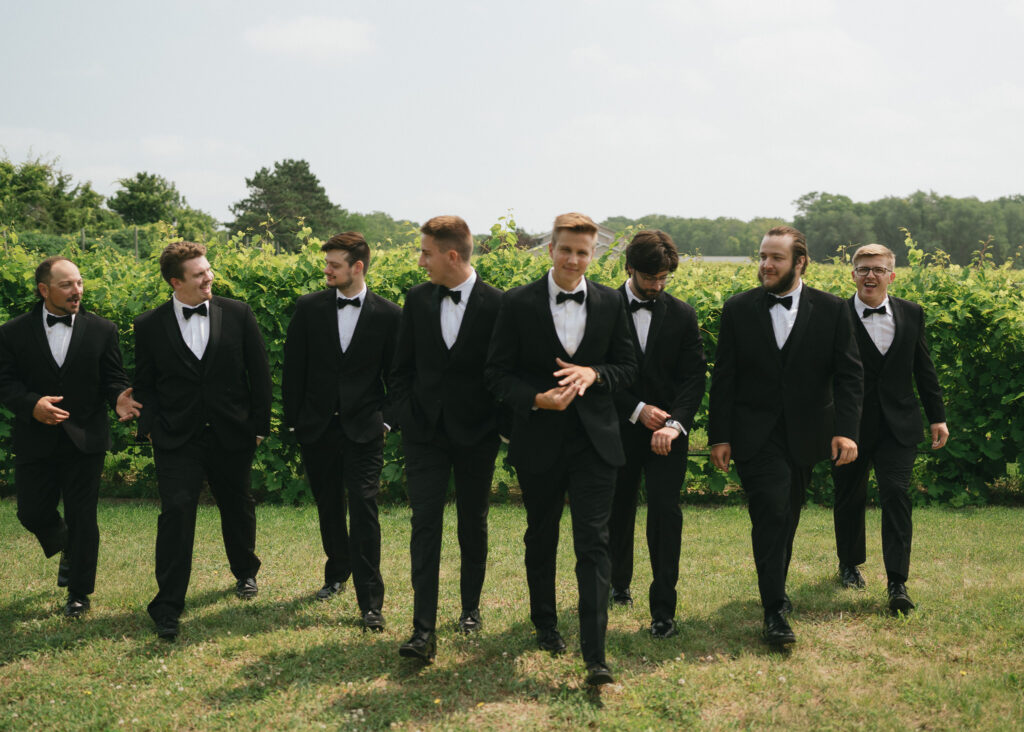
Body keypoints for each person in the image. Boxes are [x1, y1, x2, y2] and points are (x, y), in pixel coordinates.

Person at [486, 212, 637, 686]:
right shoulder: (517, 303)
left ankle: (596, 654)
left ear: (593, 255)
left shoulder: (613, 303)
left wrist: (594, 374)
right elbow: (495, 374)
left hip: (596, 443)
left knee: (594, 541)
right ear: (551, 248)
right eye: (566, 249)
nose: (574, 259)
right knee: (542, 534)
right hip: (539, 439)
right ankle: (545, 624)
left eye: (583, 252)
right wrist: (536, 399)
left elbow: (629, 367)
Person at [708, 226, 862, 647]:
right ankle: (773, 610)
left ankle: (775, 585)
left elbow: (849, 376)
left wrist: (847, 431)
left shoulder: (832, 309)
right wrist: (719, 436)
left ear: (800, 263)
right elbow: (725, 377)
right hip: (754, 434)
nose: (765, 265)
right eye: (762, 256)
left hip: (808, 435)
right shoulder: (737, 309)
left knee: (788, 513)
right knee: (772, 511)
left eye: (775, 258)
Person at [134, 241, 272, 641]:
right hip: (177, 438)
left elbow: (258, 374)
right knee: (176, 511)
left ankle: (245, 572)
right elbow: (146, 382)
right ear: (176, 281)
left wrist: (259, 426)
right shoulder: (148, 325)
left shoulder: (239, 313)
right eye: (199, 274)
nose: (209, 277)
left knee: (237, 503)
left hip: (232, 431)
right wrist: (152, 427)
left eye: (208, 270)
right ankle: (168, 606)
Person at [390, 215, 503, 663]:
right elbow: (400, 370)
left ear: (451, 255)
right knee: (425, 526)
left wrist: (495, 424)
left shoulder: (499, 305)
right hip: (424, 436)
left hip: (478, 436)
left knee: (473, 523)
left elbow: (503, 373)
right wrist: (407, 417)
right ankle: (423, 629)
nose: (421, 262)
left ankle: (470, 609)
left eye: (426, 253)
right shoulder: (416, 300)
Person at [0, 256, 141, 618]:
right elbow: (5, 383)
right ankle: (66, 546)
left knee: (83, 516)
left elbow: (113, 379)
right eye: (66, 285)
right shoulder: (11, 332)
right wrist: (31, 404)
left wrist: (119, 398)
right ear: (43, 289)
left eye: (78, 283)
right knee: (31, 512)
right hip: (35, 438)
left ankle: (79, 593)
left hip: (87, 438)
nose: (76, 290)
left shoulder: (102, 330)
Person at [282, 232, 400, 631]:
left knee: (364, 507)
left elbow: (398, 378)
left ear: (358, 267)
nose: (327, 270)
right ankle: (337, 572)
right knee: (328, 504)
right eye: (327, 263)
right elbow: (294, 370)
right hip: (317, 428)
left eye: (334, 264)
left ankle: (370, 602)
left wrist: (385, 420)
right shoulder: (308, 308)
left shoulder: (389, 315)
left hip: (366, 429)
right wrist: (298, 421)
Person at [831, 244, 948, 613]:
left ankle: (897, 581)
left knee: (896, 494)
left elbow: (923, 369)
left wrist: (937, 415)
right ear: (853, 274)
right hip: (849, 427)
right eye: (863, 268)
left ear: (891, 275)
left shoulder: (912, 314)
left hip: (899, 425)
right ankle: (849, 564)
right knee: (849, 495)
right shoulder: (834, 316)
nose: (870, 275)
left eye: (878, 269)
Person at [608, 230, 706, 639]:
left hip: (669, 434)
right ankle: (617, 584)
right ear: (629, 268)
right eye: (650, 278)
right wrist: (636, 410)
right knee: (617, 511)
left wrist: (674, 424)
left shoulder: (683, 314)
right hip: (616, 428)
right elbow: (597, 372)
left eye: (664, 278)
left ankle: (663, 609)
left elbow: (693, 378)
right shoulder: (603, 307)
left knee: (666, 516)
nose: (657, 286)